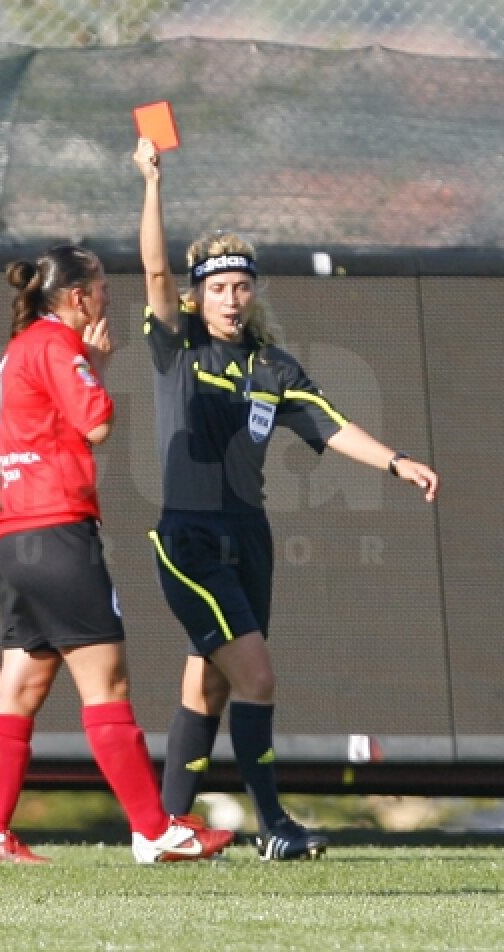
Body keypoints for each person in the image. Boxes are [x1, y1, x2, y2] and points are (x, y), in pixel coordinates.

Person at [132, 137, 440, 860]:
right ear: (196, 293)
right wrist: (152, 183)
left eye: (241, 286)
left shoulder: (272, 366)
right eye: (216, 287)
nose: (231, 298)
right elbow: (151, 269)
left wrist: (397, 462)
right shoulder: (181, 350)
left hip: (250, 537)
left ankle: (164, 831)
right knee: (258, 676)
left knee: (208, 687)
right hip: (190, 541)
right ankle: (273, 826)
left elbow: (331, 428)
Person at [0, 245, 235, 867]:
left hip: (12, 536)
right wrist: (93, 365)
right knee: (106, 684)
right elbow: (96, 421)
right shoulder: (56, 344)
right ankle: (153, 830)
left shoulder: (17, 349)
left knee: (22, 685)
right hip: (58, 530)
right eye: (103, 289)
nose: (109, 298)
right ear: (79, 296)